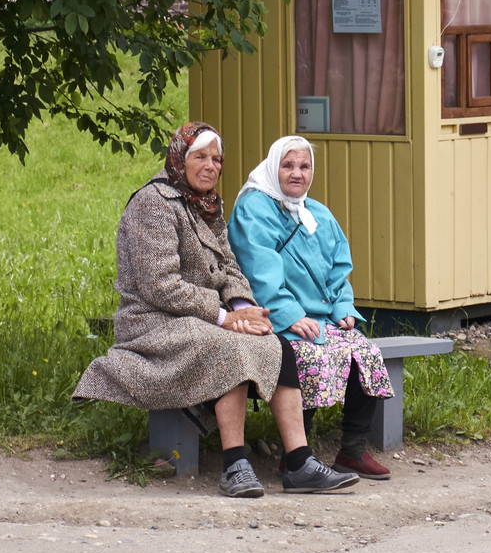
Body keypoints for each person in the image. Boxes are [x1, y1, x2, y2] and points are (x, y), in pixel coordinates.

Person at [72, 122, 359, 497]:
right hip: (153, 322)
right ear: (180, 157)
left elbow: (230, 268)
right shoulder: (153, 204)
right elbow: (159, 286)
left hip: (200, 319)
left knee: (275, 343)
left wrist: (243, 308)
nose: (211, 166)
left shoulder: (206, 205)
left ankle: (300, 463)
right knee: (230, 346)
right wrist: (225, 317)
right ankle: (234, 465)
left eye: (217, 159)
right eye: (201, 157)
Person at [228, 135, 394, 480]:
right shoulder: (254, 208)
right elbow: (258, 271)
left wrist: (343, 307)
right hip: (276, 318)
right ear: (273, 167)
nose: (297, 173)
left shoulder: (317, 212)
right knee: (307, 356)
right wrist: (290, 315)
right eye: (288, 165)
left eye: (304, 166)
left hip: (319, 317)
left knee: (365, 352)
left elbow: (338, 269)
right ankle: (296, 456)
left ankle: (352, 451)